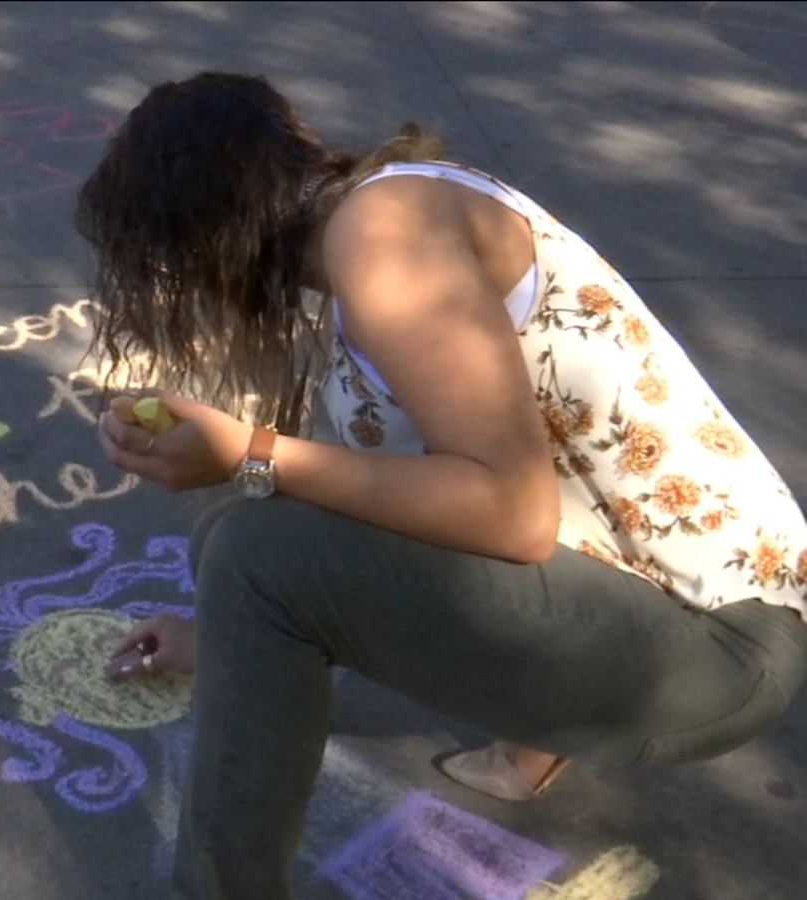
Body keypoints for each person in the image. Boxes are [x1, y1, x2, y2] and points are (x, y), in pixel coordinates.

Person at [77, 71, 807, 900]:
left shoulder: (384, 237)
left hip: (716, 652)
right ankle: (540, 736)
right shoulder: (386, 212)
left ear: (209, 234)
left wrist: (249, 452)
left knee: (254, 547)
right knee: (245, 530)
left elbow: (512, 512)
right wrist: (221, 636)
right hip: (670, 612)